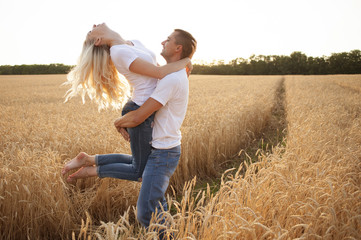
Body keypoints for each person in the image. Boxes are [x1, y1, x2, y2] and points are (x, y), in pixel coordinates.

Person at [62, 23, 191, 183]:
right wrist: (185, 61)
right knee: (140, 171)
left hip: (146, 106)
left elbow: (157, 69)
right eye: (91, 30)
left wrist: (180, 70)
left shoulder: (132, 42)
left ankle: (88, 159)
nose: (94, 25)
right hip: (139, 109)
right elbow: (159, 73)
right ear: (98, 40)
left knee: (139, 162)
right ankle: (91, 171)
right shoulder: (118, 52)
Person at [113, 29, 197, 238]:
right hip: (161, 149)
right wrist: (187, 62)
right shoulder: (172, 73)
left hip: (163, 153)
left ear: (178, 48)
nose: (162, 41)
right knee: (157, 204)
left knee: (146, 213)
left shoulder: (172, 79)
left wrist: (118, 122)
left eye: (168, 40)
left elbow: (139, 116)